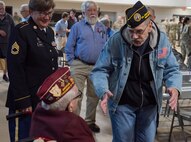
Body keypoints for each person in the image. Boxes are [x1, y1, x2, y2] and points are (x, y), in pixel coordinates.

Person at [90, 1, 182, 142]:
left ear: (150, 26)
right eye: (131, 31)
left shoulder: (161, 41)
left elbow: (172, 69)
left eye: (139, 31)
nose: (134, 36)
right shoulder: (116, 41)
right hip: (122, 104)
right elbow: (100, 70)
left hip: (149, 106)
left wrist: (174, 87)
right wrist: (103, 89)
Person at [6, 0, 59, 141]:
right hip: (26, 100)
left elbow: (52, 65)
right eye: (42, 13)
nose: (47, 17)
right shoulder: (22, 30)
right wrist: (23, 101)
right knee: (23, 138)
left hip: (44, 100)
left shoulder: (49, 32)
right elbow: (15, 68)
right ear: (31, 12)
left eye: (49, 13)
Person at [65, 0, 107, 133]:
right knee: (76, 95)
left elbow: (106, 46)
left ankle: (90, 122)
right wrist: (72, 62)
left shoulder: (102, 27)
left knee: (93, 96)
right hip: (79, 65)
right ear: (83, 12)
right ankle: (74, 123)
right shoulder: (77, 27)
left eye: (94, 10)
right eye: (89, 10)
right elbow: (69, 45)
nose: (93, 12)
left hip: (97, 67)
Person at [30, 67, 95, 142]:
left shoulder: (38, 112)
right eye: (78, 95)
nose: (79, 98)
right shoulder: (73, 125)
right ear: (71, 106)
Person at [0, 0, 15, 82]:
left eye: (2, 8)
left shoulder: (9, 17)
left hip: (7, 43)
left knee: (7, 60)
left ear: (4, 8)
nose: (1, 10)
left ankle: (5, 74)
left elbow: (14, 29)